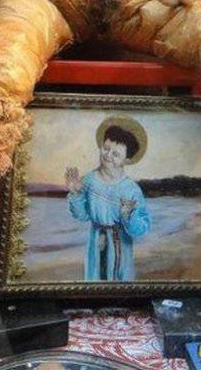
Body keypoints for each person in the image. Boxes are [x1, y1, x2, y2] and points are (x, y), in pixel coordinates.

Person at [65, 118, 151, 281]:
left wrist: (128, 216)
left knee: (120, 284)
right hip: (96, 242)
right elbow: (82, 216)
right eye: (106, 148)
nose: (108, 155)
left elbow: (141, 229)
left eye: (116, 154)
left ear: (127, 160)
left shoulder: (131, 189)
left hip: (122, 248)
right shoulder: (89, 180)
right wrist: (76, 193)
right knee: (94, 281)